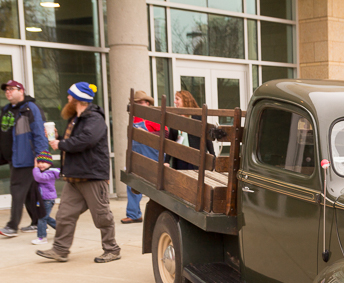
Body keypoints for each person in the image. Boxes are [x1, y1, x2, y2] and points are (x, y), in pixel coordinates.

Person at [36, 82, 121, 263]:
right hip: (74, 176)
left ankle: (112, 249)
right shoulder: (75, 118)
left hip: (92, 176)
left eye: (70, 95)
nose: (67, 98)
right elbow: (74, 142)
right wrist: (57, 138)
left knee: (102, 216)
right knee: (64, 215)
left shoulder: (94, 119)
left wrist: (61, 144)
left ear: (78, 98)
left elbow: (86, 140)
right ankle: (60, 250)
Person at [0, 80, 49, 237]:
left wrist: (42, 155)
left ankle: (12, 226)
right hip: (12, 158)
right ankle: (39, 222)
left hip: (26, 158)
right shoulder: (6, 110)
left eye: (12, 89)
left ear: (21, 91)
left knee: (17, 190)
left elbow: (39, 133)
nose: (8, 92)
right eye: (6, 90)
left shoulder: (30, 108)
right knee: (29, 193)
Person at [122, 90, 162, 224]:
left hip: (151, 156)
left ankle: (158, 213)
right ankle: (133, 214)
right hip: (136, 156)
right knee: (132, 183)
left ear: (147, 103)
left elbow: (165, 134)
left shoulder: (153, 117)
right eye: (135, 103)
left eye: (140, 102)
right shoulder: (133, 118)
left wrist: (147, 135)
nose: (138, 105)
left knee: (155, 187)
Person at [168, 90, 215, 170]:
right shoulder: (175, 118)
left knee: (195, 181)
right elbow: (171, 141)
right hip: (180, 159)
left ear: (185, 100)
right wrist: (166, 161)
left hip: (195, 158)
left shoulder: (197, 117)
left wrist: (213, 157)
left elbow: (207, 138)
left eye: (177, 99)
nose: (174, 101)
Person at [31, 151, 59, 245]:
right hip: (43, 199)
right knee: (45, 217)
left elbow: (39, 178)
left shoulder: (51, 173)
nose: (41, 165)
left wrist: (35, 167)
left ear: (49, 163)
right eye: (39, 162)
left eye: (43, 162)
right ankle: (62, 230)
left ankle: (42, 237)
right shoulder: (43, 171)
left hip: (47, 199)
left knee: (42, 218)